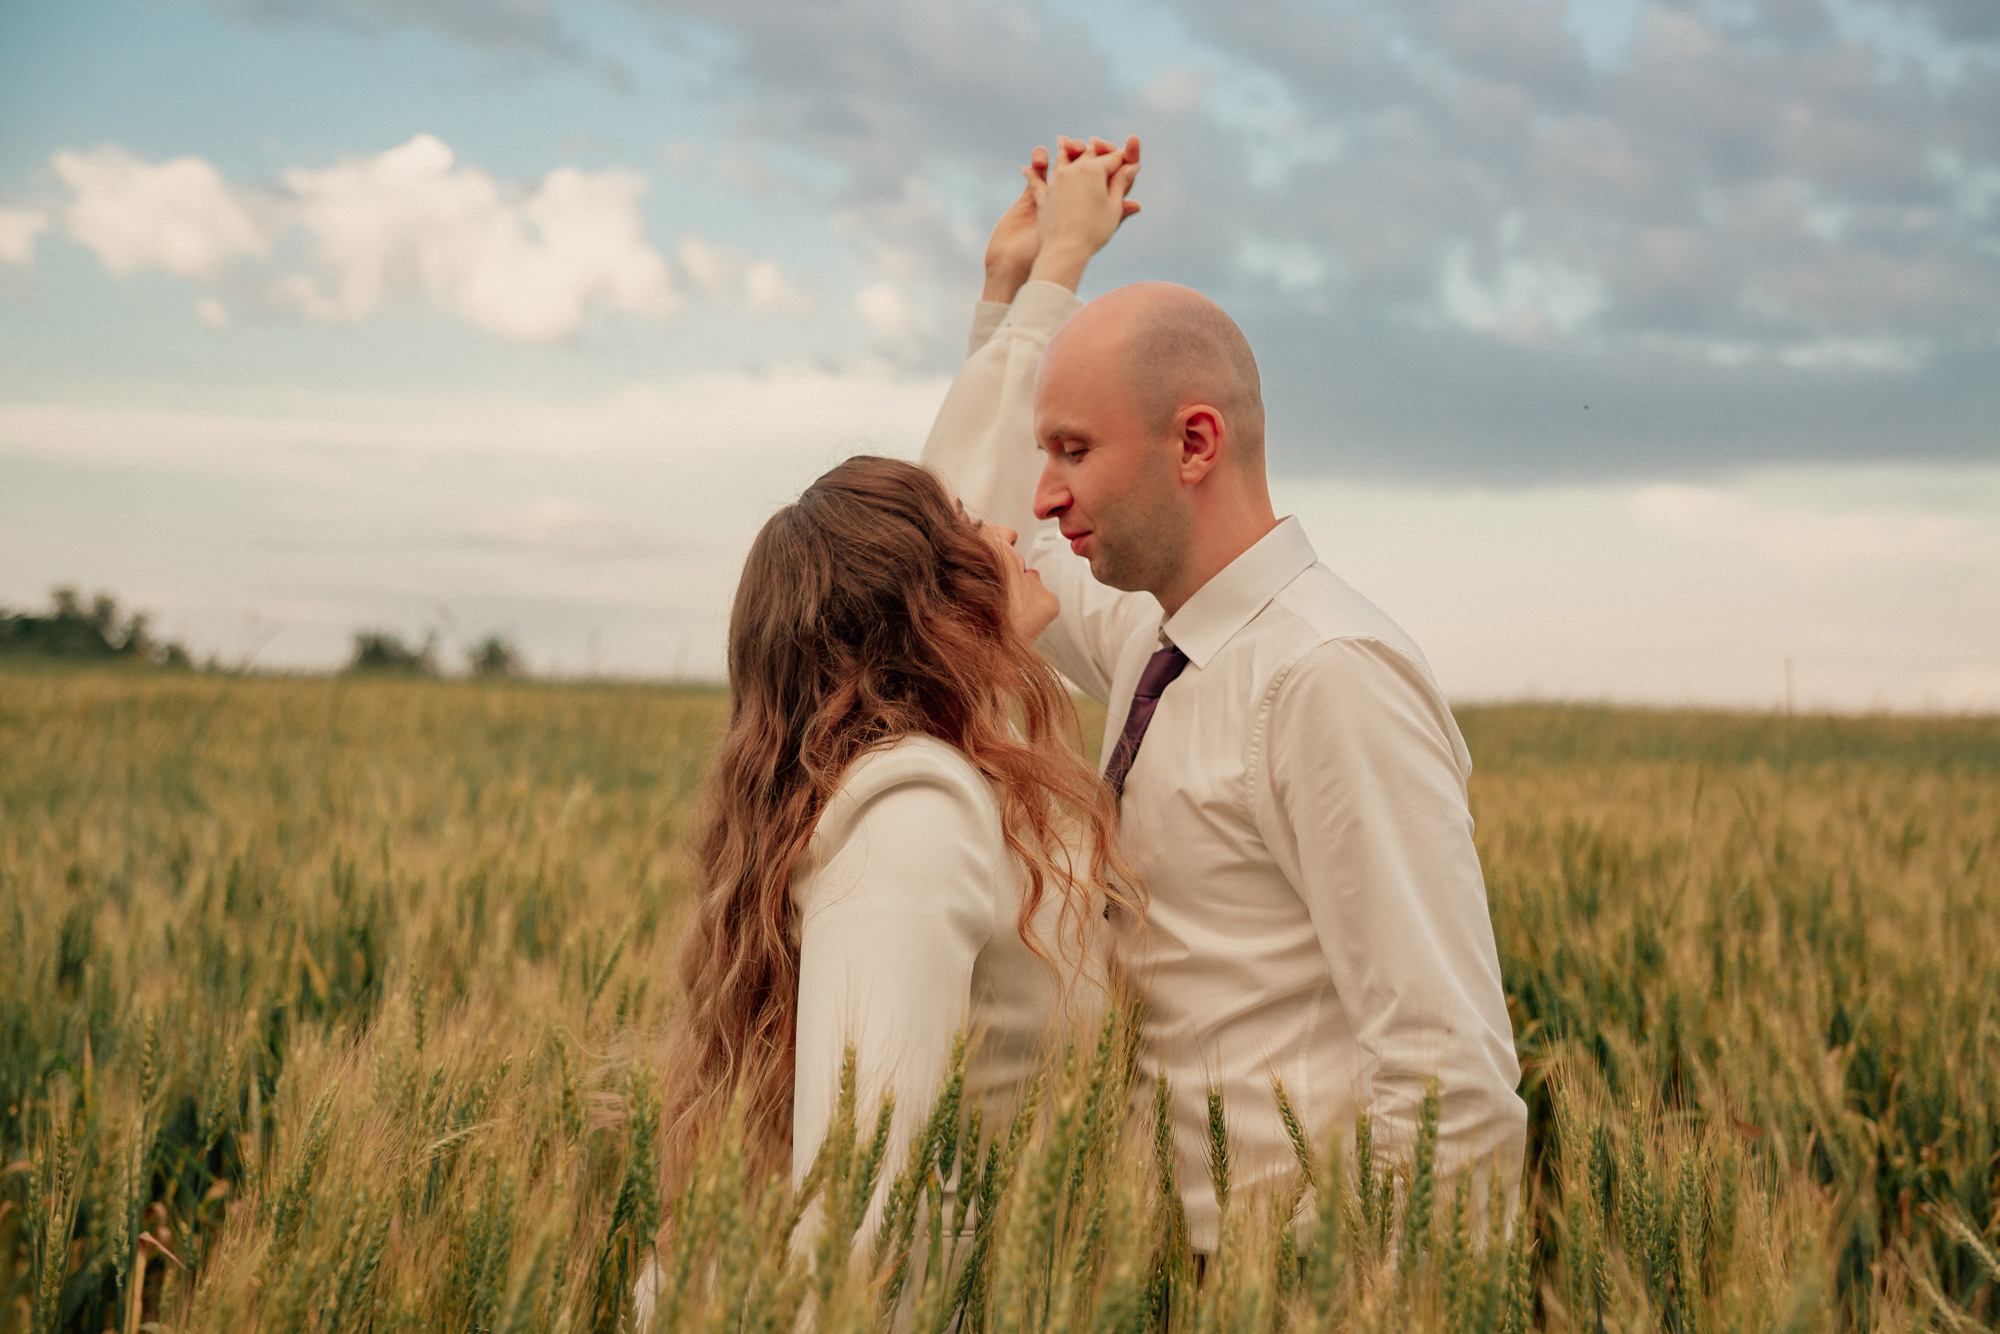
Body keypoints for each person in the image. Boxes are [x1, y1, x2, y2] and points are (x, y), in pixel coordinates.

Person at [921, 137, 1528, 1254]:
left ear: (1193, 441)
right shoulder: (1157, 632)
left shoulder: (1325, 674)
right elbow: (966, 537)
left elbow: (1450, 1080)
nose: (1046, 491)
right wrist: (1024, 284)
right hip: (1158, 1276)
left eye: (1072, 448)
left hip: (1291, 1283)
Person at [643, 455, 1131, 1316]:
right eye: (971, 521)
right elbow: (869, 1198)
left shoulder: (938, 793)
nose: (1009, 531)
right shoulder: (914, 810)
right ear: (931, 600)